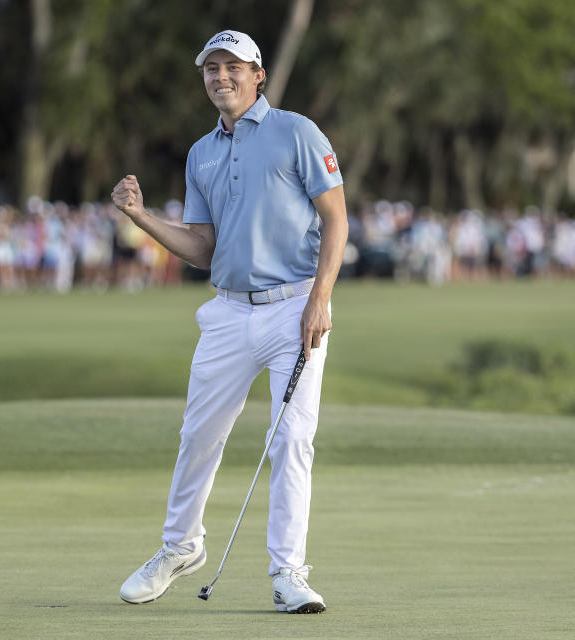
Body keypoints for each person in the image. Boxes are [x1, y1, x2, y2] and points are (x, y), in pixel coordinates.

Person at [111, 29, 349, 614]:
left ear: (257, 74)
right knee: (198, 435)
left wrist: (321, 297)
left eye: (233, 67)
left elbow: (337, 219)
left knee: (292, 437)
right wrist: (140, 216)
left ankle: (289, 574)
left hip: (295, 306)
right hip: (226, 312)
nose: (221, 77)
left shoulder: (296, 131)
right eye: (212, 68)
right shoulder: (201, 153)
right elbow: (200, 248)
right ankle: (179, 548)